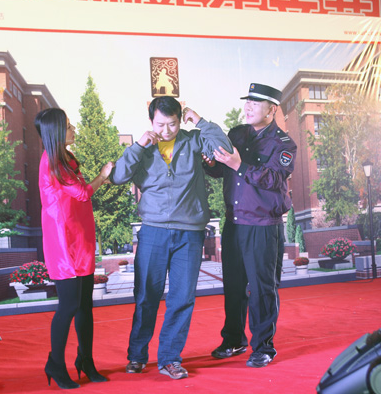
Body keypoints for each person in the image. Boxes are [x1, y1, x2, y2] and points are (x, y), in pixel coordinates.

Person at [110, 96, 233, 380]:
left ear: (181, 119)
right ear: (151, 121)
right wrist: (138, 146)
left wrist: (200, 121)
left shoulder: (193, 141)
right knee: (146, 296)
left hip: (190, 233)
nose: (166, 130)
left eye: (173, 124)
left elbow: (224, 149)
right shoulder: (143, 148)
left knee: (182, 298)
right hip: (153, 231)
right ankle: (137, 355)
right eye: (160, 124)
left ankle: (170, 359)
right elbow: (118, 176)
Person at [202, 83, 297, 368]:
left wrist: (238, 165)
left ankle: (264, 346)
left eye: (255, 103)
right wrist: (211, 164)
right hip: (234, 222)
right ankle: (233, 340)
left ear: (272, 109)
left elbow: (274, 179)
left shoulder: (283, 144)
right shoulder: (237, 134)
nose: (248, 107)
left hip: (262, 224)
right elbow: (222, 170)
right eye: (247, 102)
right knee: (233, 286)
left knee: (261, 287)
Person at [35, 107, 114, 389]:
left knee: (84, 307)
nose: (73, 129)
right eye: (68, 125)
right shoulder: (51, 161)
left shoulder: (65, 160)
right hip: (63, 244)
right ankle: (55, 364)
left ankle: (86, 361)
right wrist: (103, 175)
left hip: (80, 240)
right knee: (68, 306)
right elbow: (82, 193)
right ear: (56, 131)